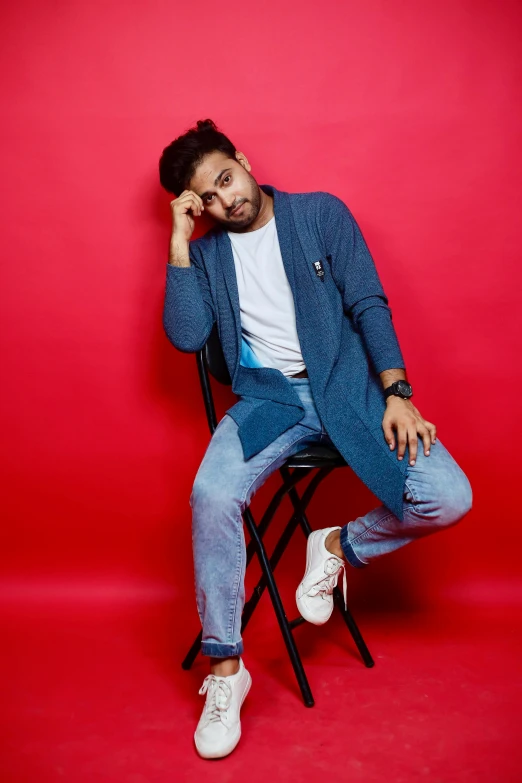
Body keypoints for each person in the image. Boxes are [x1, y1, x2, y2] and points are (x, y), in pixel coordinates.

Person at [158, 119, 473, 759]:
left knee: (449, 495)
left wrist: (397, 393)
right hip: (269, 400)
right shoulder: (211, 252)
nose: (227, 201)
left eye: (226, 179)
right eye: (209, 199)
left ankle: (334, 545)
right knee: (211, 495)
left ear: (243, 160)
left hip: (346, 389)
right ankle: (226, 673)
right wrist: (180, 242)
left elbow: (368, 302)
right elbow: (188, 336)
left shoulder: (319, 214)